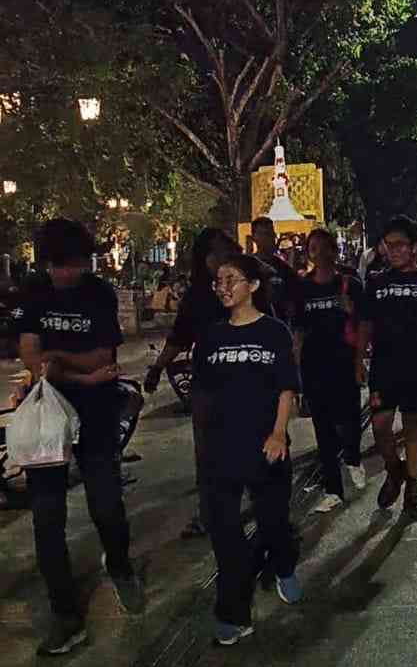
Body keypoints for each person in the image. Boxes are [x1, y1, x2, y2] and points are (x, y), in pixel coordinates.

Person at [13, 218, 144, 655]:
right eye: (56, 266)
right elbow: (31, 355)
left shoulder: (99, 294)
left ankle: (121, 565)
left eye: (71, 265)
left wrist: (57, 359)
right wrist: (78, 373)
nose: (64, 274)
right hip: (48, 415)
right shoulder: (35, 291)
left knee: (105, 502)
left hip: (97, 415)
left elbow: (102, 356)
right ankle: (65, 614)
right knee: (47, 519)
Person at [193, 254, 301, 645]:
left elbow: (286, 386)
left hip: (265, 444)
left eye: (231, 279)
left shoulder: (273, 332)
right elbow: (202, 395)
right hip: (222, 449)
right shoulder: (210, 336)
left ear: (252, 286)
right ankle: (233, 611)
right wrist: (202, 448)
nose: (222, 286)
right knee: (225, 534)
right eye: (218, 280)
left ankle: (284, 563)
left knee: (273, 522)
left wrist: (277, 433)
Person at [144, 227, 238, 538]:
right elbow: (179, 336)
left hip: (245, 383)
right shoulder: (197, 295)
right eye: (215, 255)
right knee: (208, 455)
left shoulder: (245, 287)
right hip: (208, 385)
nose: (220, 260)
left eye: (225, 253)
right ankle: (210, 515)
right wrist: (157, 368)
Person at [356, 216, 417, 519]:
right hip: (384, 366)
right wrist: (359, 359)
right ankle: (395, 470)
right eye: (388, 245)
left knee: (414, 426)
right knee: (380, 426)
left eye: (400, 244)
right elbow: (366, 323)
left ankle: (413, 490)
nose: (393, 250)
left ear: (415, 247)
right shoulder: (377, 282)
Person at [295, 228, 367, 514]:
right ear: (309, 252)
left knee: (349, 419)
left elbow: (364, 324)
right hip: (315, 365)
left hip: (344, 362)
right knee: (322, 427)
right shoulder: (303, 288)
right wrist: (297, 370)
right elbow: (298, 330)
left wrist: (360, 360)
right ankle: (332, 488)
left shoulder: (349, 284)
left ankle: (352, 458)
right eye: (314, 247)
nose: (320, 253)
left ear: (333, 251)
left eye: (325, 247)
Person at [251, 217, 302, 326]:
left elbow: (295, 298)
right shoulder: (247, 266)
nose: (270, 238)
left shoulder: (284, 269)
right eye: (264, 234)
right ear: (254, 237)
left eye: (271, 233)